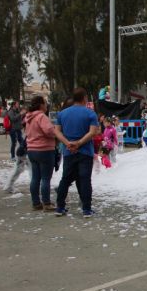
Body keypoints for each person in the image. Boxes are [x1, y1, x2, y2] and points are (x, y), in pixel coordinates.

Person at [55, 88, 99, 218]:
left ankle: (60, 207)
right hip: (85, 151)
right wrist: (79, 143)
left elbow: (56, 131)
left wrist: (68, 143)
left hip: (68, 151)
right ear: (84, 98)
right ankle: (86, 209)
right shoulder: (90, 114)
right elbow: (92, 132)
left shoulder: (62, 114)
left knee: (65, 179)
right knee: (85, 179)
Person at [24, 96, 59, 211]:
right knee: (45, 178)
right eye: (45, 103)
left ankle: (36, 203)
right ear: (40, 105)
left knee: (35, 177)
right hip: (44, 150)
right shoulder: (41, 116)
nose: (46, 105)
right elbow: (49, 131)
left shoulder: (28, 117)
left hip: (31, 150)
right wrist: (56, 132)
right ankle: (47, 203)